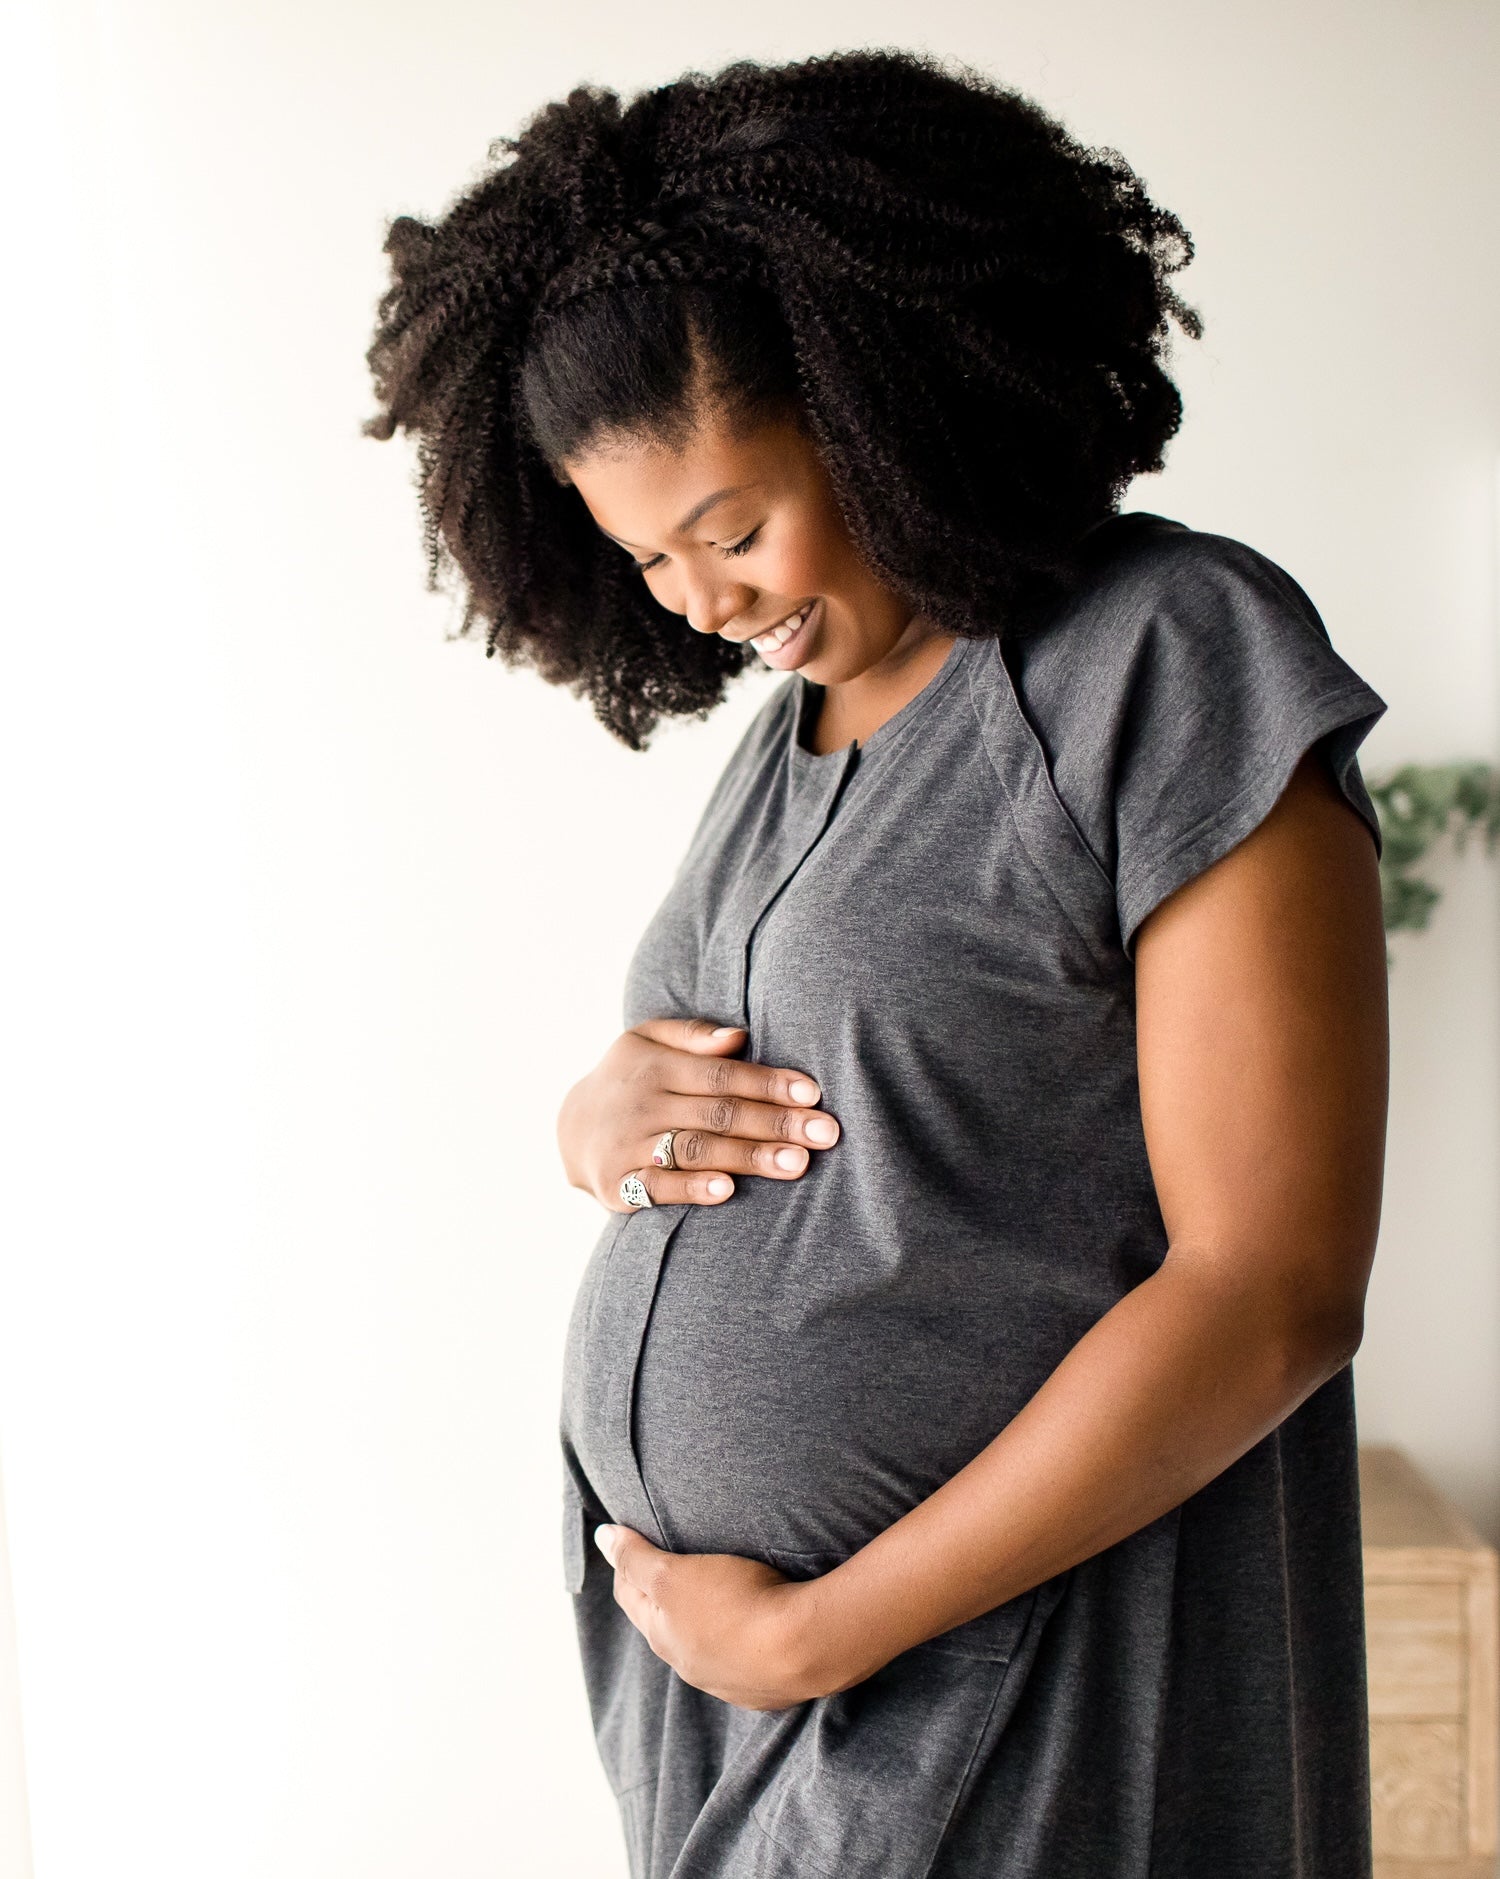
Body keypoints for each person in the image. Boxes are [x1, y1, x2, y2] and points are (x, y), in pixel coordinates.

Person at [366, 49, 1389, 1878]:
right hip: (732, 1719)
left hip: (1005, 1696)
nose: (702, 603)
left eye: (732, 528)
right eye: (643, 559)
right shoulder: (789, 738)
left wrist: (824, 1632)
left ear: (883, 404)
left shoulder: (1158, 655)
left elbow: (1275, 1287)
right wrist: (602, 1127)